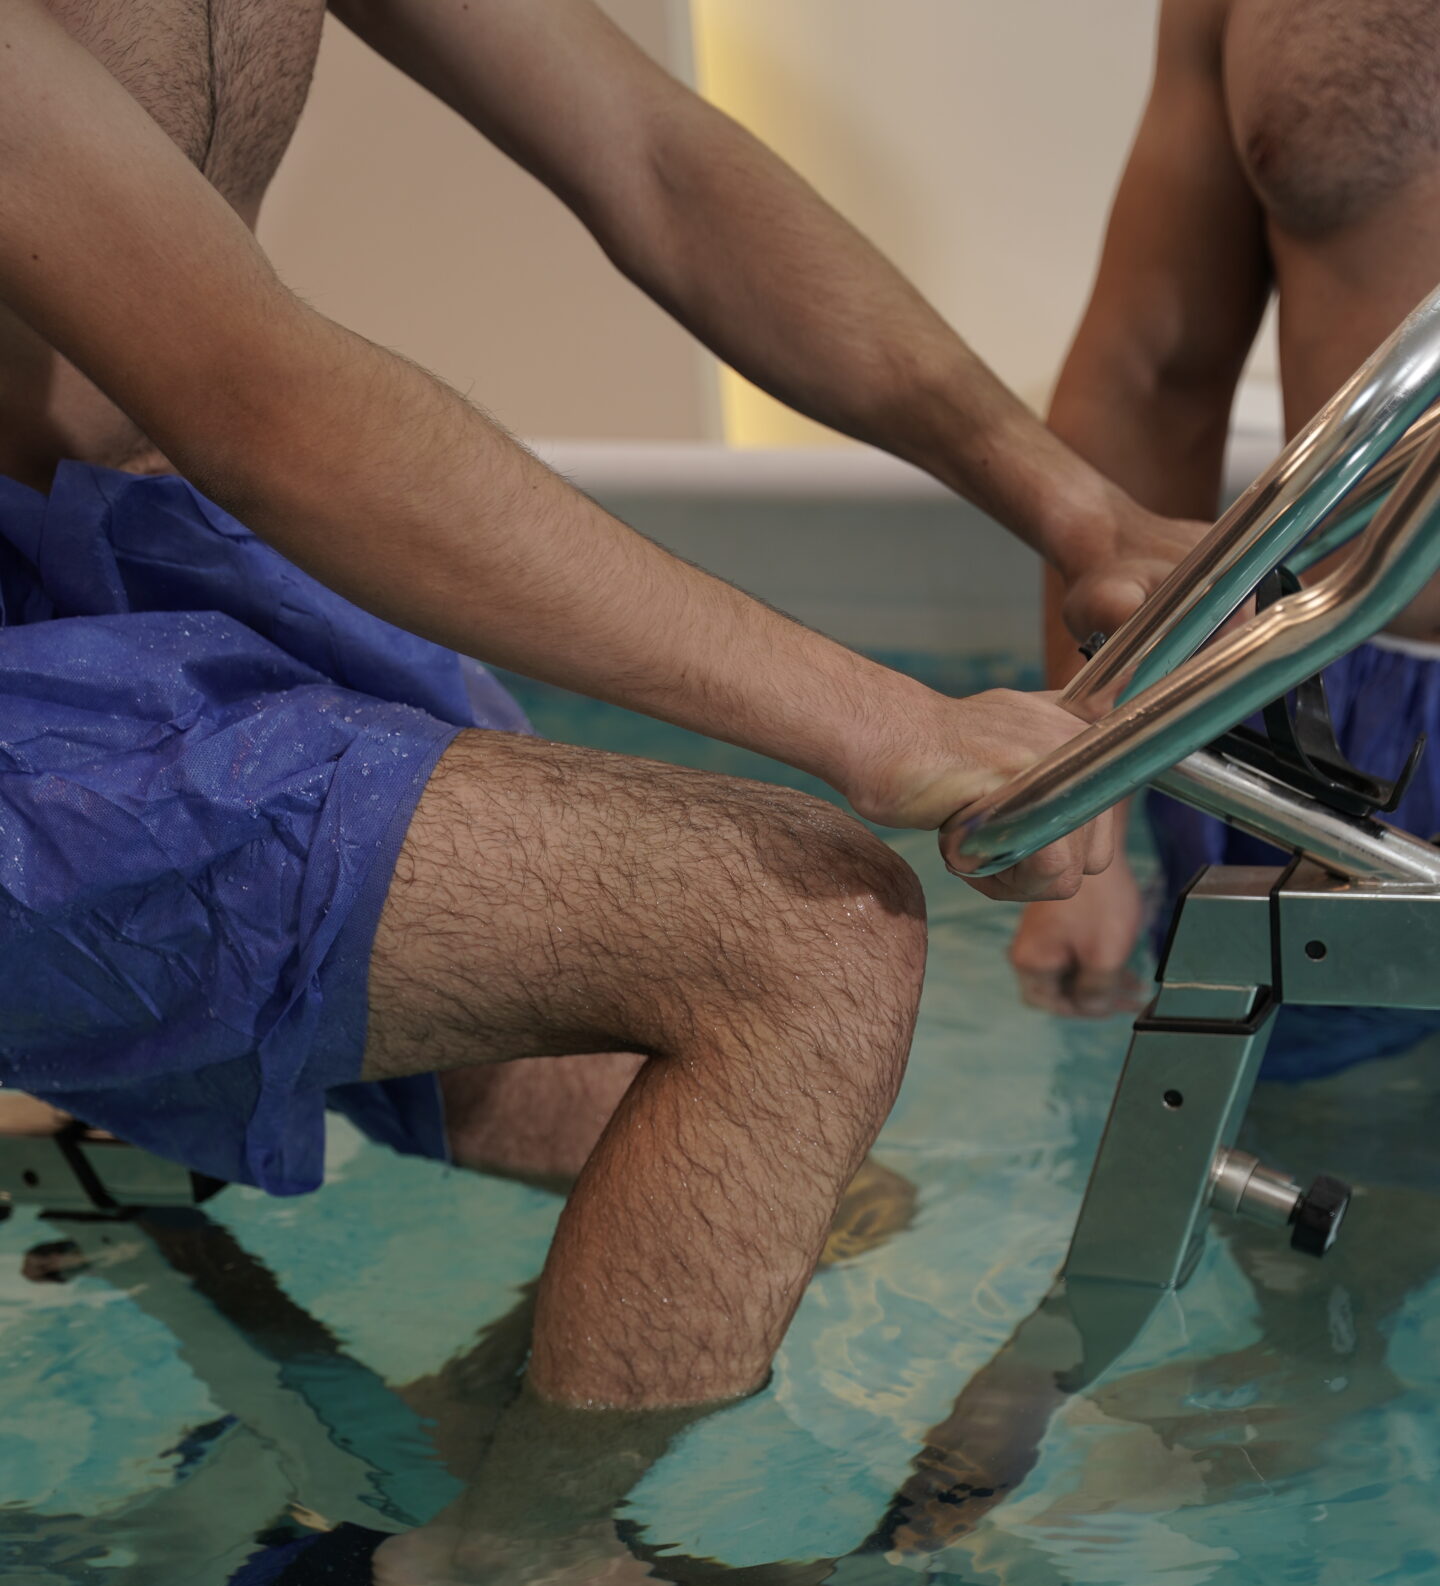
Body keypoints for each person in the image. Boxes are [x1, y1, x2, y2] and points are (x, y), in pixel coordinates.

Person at [0, 0, 1199, 1438]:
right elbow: (264, 401)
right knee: (810, 944)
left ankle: (422, 1497)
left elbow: (657, 161)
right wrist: (886, 723)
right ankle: (528, 1562)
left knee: (800, 1186)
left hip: (151, 573)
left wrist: (1074, 508)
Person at [1010, 0, 1440, 1077]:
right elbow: (1154, 379)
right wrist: (1086, 799)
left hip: (1325, 698)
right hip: (1333, 723)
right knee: (1316, 1162)